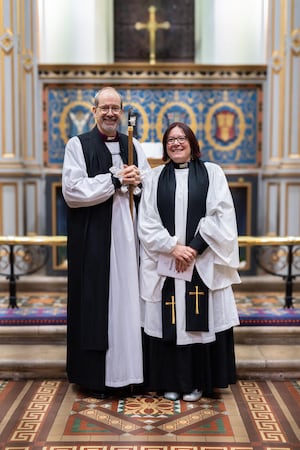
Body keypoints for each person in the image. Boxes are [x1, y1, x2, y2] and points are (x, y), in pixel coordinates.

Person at [138, 122, 241, 402]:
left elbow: (222, 216)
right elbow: (146, 222)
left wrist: (193, 249)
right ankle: (169, 381)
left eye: (181, 138)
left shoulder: (212, 173)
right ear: (165, 146)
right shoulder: (155, 177)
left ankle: (197, 383)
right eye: (170, 140)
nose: (176, 143)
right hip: (167, 263)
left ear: (192, 143)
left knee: (196, 322)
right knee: (169, 321)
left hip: (201, 261)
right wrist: (173, 247)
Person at [62, 86, 149, 397]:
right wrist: (114, 180)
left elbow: (146, 187)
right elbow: (72, 191)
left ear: (122, 111)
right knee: (98, 303)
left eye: (116, 108)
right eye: (105, 108)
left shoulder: (133, 145)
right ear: (94, 110)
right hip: (95, 241)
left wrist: (137, 184)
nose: (111, 113)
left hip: (129, 240)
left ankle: (131, 374)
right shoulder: (78, 145)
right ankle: (96, 377)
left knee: (128, 303)